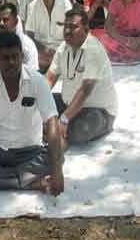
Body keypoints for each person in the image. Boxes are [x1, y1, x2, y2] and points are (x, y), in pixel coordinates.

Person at [0, 32, 64, 198]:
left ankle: (4, 180)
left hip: (31, 151)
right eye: (6, 58)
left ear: (22, 57)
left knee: (56, 157)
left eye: (15, 57)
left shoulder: (37, 81)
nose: (12, 63)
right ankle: (29, 182)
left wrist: (57, 170)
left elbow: (52, 123)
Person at [46, 9, 117, 146]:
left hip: (98, 111)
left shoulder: (93, 49)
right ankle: (56, 130)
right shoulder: (63, 47)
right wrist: (39, 100)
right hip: (70, 104)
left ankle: (54, 130)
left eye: (73, 27)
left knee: (81, 131)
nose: (67, 31)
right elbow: (49, 78)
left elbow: (85, 90)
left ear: (86, 29)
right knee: (36, 105)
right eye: (65, 26)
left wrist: (64, 119)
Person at [26, 0, 72, 72]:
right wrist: (44, 50)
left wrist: (59, 52)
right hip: (41, 52)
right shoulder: (32, 6)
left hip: (61, 50)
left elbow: (71, 31)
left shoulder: (65, 4)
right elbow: (29, 36)